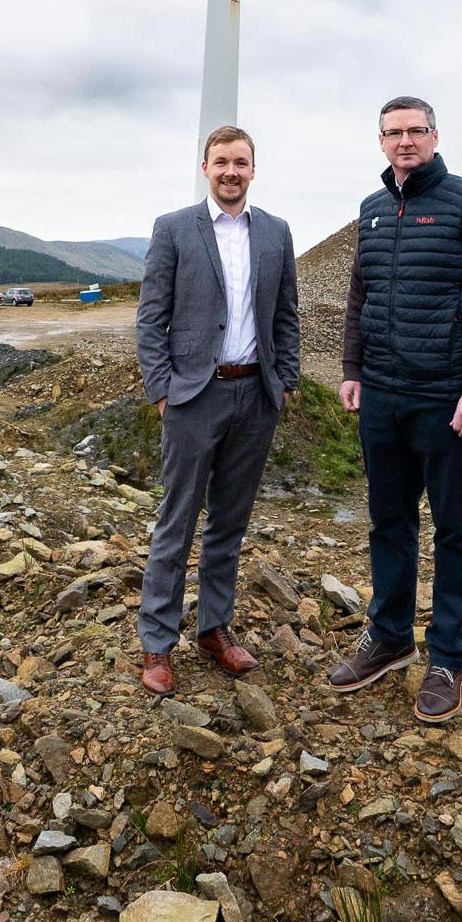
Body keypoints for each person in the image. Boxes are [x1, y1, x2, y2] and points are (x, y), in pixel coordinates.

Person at [327, 95, 462, 722]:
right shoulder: (372, 210)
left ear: (435, 136)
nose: (405, 141)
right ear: (380, 142)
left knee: (456, 529)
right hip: (381, 397)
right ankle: (389, 637)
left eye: (416, 130)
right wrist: (352, 369)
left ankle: (447, 657)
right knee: (388, 522)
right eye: (394, 132)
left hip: (447, 400)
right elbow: (359, 296)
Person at [134, 125, 301, 695]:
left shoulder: (276, 232)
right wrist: (163, 390)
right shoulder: (174, 228)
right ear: (205, 167)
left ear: (254, 169)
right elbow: (150, 318)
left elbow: (286, 314)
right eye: (221, 162)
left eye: (241, 162)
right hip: (192, 398)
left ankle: (214, 628)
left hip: (255, 397)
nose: (231, 171)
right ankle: (158, 644)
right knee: (176, 521)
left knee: (230, 521)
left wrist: (286, 382)